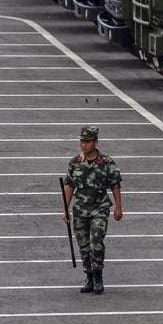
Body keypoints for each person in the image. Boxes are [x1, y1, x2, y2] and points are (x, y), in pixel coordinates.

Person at [62, 126, 123, 294]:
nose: (84, 145)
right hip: (80, 208)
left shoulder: (106, 162)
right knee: (84, 245)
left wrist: (119, 207)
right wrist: (65, 209)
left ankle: (98, 276)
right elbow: (69, 186)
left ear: (96, 142)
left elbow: (115, 184)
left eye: (88, 142)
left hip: (99, 206)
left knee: (96, 242)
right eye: (82, 141)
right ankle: (88, 275)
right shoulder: (75, 162)